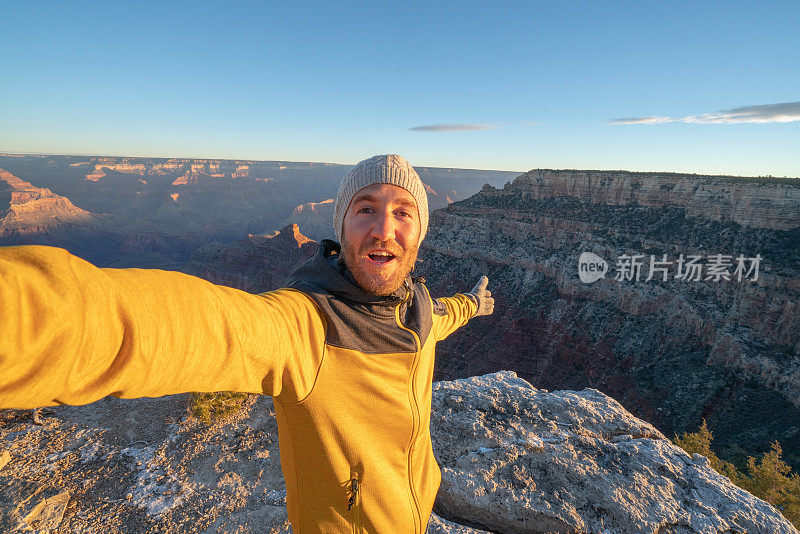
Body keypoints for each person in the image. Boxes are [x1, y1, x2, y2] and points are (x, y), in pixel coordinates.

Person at [0, 154, 494, 533]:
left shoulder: (419, 311)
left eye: (403, 213)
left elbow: (445, 316)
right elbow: (180, 326)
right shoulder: (304, 329)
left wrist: (475, 302)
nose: (384, 228)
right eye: (366, 209)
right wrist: (25, 320)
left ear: (421, 232)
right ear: (341, 227)